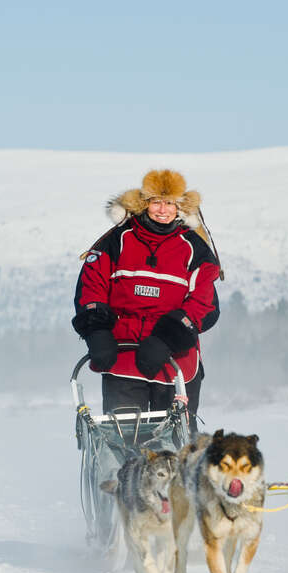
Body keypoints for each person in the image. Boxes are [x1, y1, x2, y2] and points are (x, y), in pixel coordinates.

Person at [72, 169, 220, 419]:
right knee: (124, 442)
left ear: (180, 207)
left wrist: (167, 337)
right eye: (156, 202)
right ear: (143, 204)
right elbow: (91, 287)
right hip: (122, 357)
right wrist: (97, 333)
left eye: (170, 203)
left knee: (176, 445)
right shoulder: (116, 240)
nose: (163, 210)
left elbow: (204, 303)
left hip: (175, 361)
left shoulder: (194, 248)